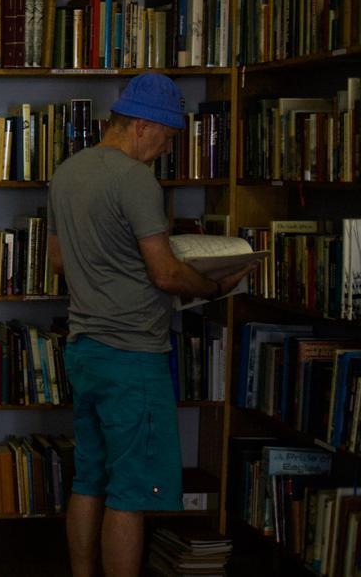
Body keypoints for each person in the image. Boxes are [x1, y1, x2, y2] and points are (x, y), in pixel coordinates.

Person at [46, 73, 251, 577]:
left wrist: (108, 267)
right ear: (141, 126)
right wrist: (215, 286)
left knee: (89, 478)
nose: (165, 148)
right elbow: (164, 273)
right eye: (166, 137)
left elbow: (57, 262)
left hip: (85, 348)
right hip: (133, 353)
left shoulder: (68, 172)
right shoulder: (136, 180)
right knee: (132, 491)